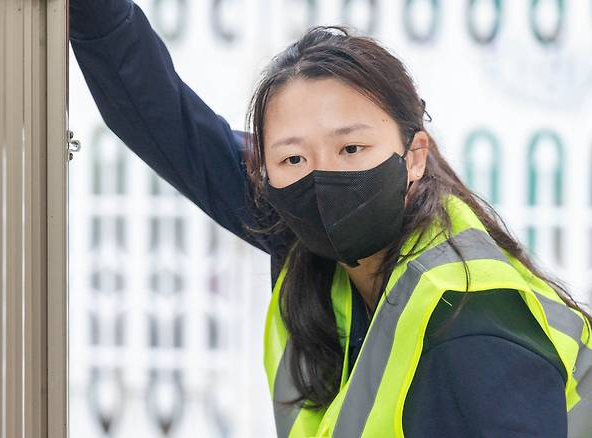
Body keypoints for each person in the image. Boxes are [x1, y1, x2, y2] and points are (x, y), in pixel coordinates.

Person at [70, 1, 592, 436]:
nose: (322, 179)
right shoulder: (294, 222)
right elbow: (163, 118)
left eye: (352, 147)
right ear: (268, 173)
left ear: (413, 157)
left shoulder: (471, 325)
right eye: (293, 158)